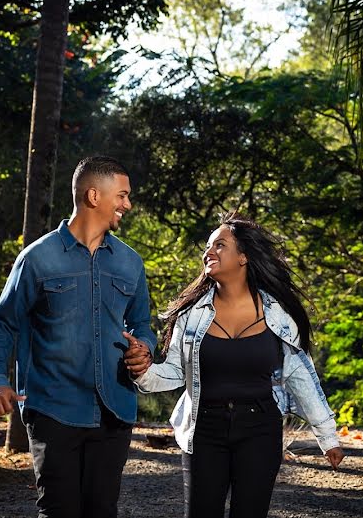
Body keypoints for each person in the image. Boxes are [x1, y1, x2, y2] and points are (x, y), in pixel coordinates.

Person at [125, 211, 345, 518]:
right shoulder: (191, 314)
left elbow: (299, 374)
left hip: (260, 429)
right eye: (207, 247)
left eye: (219, 245)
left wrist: (327, 437)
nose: (208, 252)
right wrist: (141, 369)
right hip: (204, 430)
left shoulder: (277, 314)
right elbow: (174, 372)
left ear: (243, 257)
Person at [0, 156, 157, 518]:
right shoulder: (38, 259)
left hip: (115, 410)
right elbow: (2, 323)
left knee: (102, 510)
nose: (128, 205)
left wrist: (145, 350)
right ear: (94, 195)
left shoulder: (130, 263)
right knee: (59, 510)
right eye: (122, 196)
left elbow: (142, 324)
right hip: (53, 410)